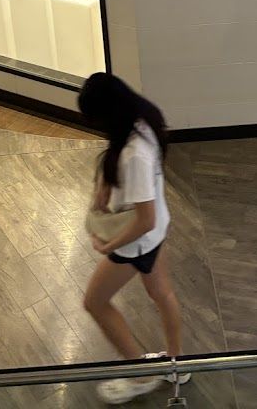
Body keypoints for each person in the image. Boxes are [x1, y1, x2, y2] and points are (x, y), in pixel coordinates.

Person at [79, 73, 187, 405]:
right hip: (156, 233)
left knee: (94, 303)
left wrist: (108, 246)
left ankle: (140, 374)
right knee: (162, 293)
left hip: (137, 241)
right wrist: (106, 185)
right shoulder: (145, 121)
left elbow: (144, 219)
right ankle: (176, 363)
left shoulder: (134, 155)